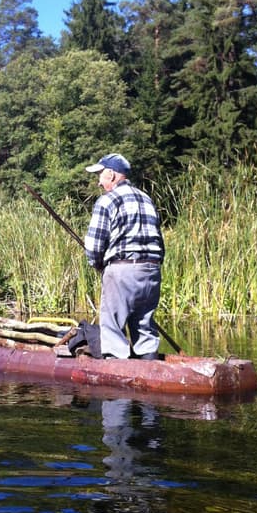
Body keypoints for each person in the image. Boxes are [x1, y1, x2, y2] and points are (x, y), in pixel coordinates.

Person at [84, 153, 164, 360]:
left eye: (100, 175)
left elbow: (93, 246)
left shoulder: (106, 201)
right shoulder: (147, 199)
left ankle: (116, 372)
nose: (99, 182)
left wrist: (98, 265)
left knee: (112, 329)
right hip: (152, 270)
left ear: (111, 174)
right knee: (145, 327)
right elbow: (159, 241)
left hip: (122, 269)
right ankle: (150, 369)